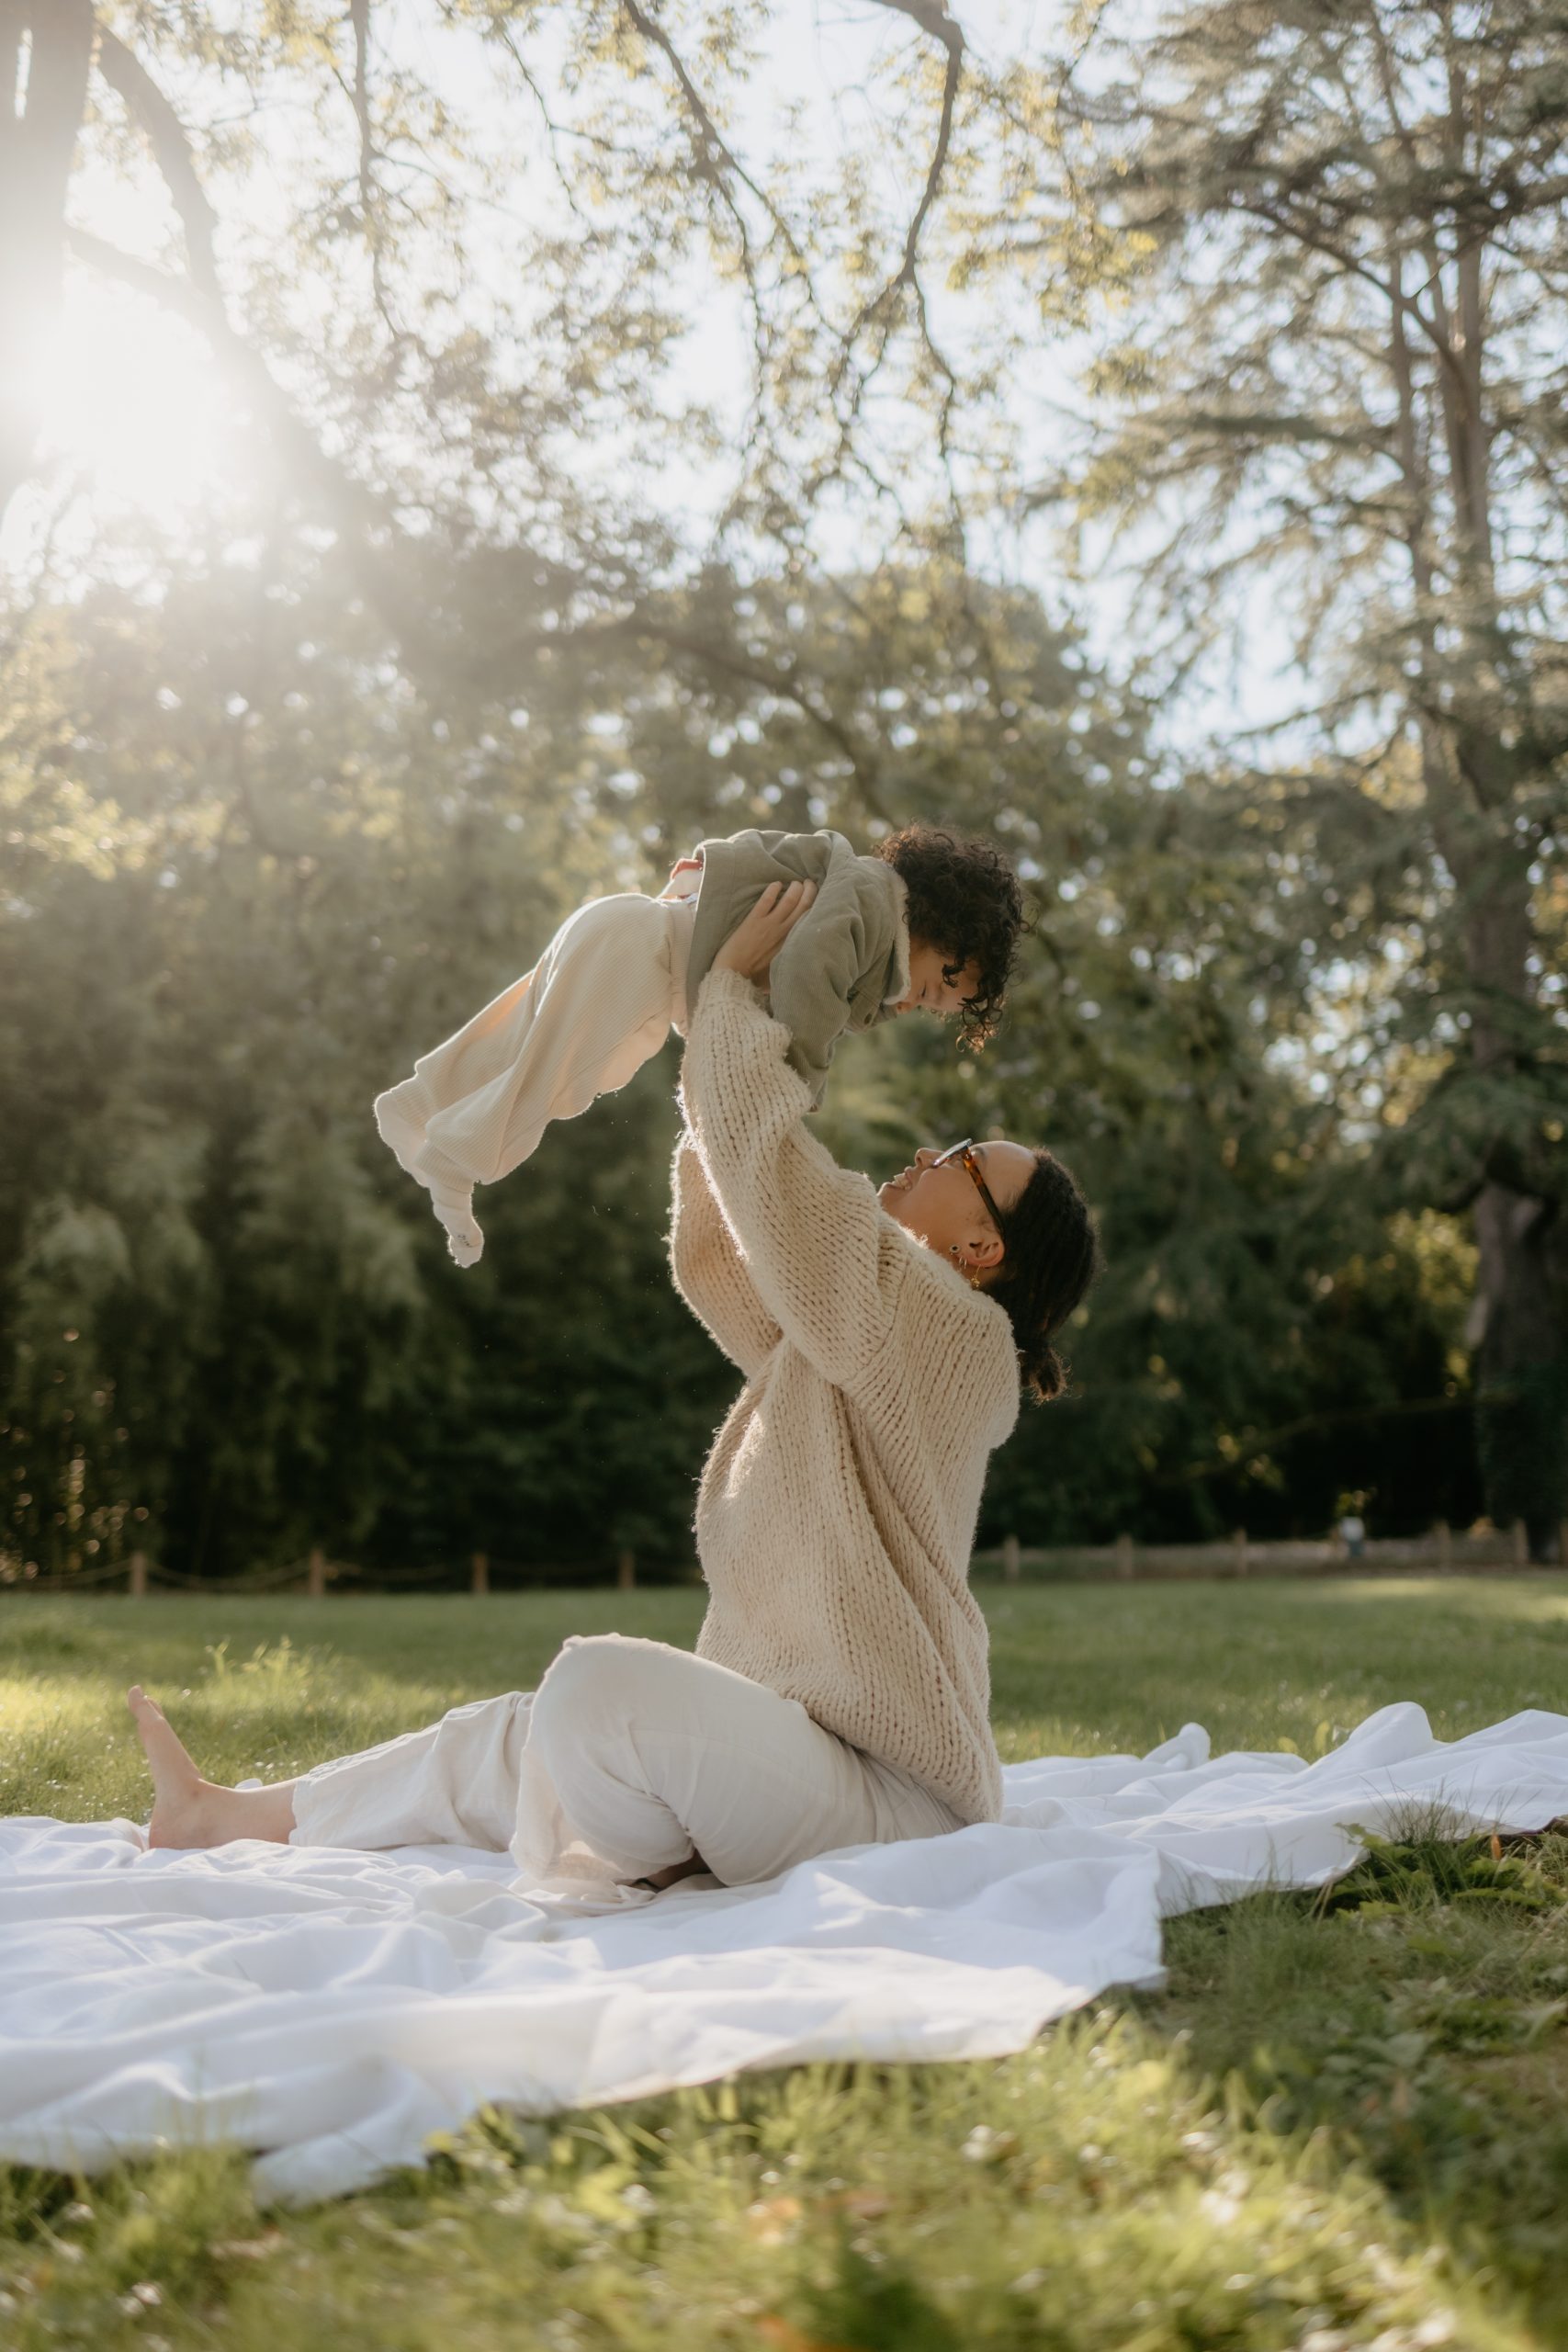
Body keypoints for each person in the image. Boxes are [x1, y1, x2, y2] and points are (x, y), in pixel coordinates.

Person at [129, 882, 1097, 1898]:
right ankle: (221, 1815)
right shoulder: (859, 1322)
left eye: (958, 1157)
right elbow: (724, 1253)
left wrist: (732, 998)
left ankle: (648, 1844)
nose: (924, 1152)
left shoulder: (954, 1338)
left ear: (981, 1245)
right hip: (797, 1753)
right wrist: (712, 1005)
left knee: (594, 1691)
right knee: (525, 1722)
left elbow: (775, 1178)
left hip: (896, 1796)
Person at [375, 820, 1024, 1265]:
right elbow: (806, 974)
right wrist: (796, 1086)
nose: (919, 1002)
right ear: (940, 918)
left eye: (937, 1009)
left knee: (519, 1037)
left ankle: (420, 1106)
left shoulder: (856, 902)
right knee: (551, 1075)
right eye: (939, 983)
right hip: (641, 957)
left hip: (627, 932)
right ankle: (455, 1166)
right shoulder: (874, 902)